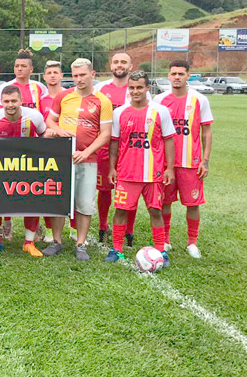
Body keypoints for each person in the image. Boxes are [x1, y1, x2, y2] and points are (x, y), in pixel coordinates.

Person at [44, 58, 113, 261]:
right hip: (62, 158)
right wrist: (57, 131)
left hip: (88, 159)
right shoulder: (63, 96)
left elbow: (105, 133)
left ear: (92, 74)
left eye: (82, 75)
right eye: (75, 75)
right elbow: (50, 119)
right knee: (58, 200)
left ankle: (80, 243)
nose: (79, 79)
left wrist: (86, 152)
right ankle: (57, 241)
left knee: (84, 203)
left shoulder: (103, 101)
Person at [106, 72, 175, 266]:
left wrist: (169, 168)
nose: (135, 91)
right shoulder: (120, 113)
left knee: (155, 211)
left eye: (139, 87)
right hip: (127, 173)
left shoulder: (160, 112)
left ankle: (161, 250)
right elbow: (114, 144)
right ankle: (117, 250)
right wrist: (112, 168)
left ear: (147, 89)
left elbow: (169, 140)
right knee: (120, 210)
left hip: (154, 174)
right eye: (132, 87)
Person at [154, 59, 213, 259]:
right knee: (164, 203)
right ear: (169, 76)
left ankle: (192, 242)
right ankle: (165, 240)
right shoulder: (159, 100)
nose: (177, 77)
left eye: (181, 74)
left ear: (188, 75)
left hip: (191, 163)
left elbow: (206, 131)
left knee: (193, 203)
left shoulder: (199, 100)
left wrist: (205, 160)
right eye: (173, 74)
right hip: (166, 163)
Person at [0, 85, 48, 257]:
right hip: (0, 168)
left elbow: (44, 138)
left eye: (14, 101)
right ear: (1, 102)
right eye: (6, 101)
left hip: (28, 168)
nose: (10, 105)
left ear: (21, 101)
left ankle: (29, 242)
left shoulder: (34, 116)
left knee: (32, 202)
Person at [0, 49, 48, 239]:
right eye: (16, 66)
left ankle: (35, 225)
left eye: (23, 66)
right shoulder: (6, 87)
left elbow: (42, 115)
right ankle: (6, 223)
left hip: (31, 147)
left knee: (31, 188)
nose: (19, 69)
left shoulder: (39, 87)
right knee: (5, 187)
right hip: (7, 146)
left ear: (31, 69)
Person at [94, 53, 140, 244]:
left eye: (123, 62)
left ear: (130, 66)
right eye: (115, 62)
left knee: (130, 190)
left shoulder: (137, 89)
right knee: (104, 189)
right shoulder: (100, 88)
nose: (119, 65)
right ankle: (103, 226)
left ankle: (129, 229)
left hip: (130, 149)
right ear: (110, 65)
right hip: (105, 147)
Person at [38, 60, 65, 242]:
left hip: (68, 148)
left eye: (56, 72)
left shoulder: (69, 96)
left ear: (62, 75)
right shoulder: (41, 101)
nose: (53, 75)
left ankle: (74, 229)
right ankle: (49, 230)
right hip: (48, 151)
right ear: (44, 77)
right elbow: (40, 124)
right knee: (48, 191)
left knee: (70, 191)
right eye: (50, 73)